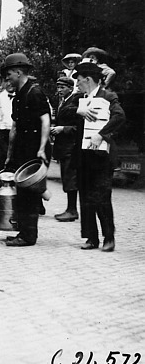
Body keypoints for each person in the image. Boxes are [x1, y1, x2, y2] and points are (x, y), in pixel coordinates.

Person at [73, 60, 126, 251]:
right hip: (84, 157)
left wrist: (100, 134)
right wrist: (78, 110)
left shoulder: (108, 96)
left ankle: (109, 237)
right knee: (85, 197)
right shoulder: (79, 99)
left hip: (102, 158)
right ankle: (91, 238)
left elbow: (120, 117)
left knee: (102, 196)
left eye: (78, 80)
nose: (77, 84)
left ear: (88, 79)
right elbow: (63, 112)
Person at [2, 53, 52, 247]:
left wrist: (41, 149)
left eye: (8, 73)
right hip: (21, 148)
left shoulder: (35, 92)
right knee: (20, 192)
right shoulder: (17, 97)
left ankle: (28, 236)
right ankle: (22, 231)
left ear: (18, 72)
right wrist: (9, 155)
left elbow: (46, 121)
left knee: (30, 193)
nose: (7, 78)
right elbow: (14, 127)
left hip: (34, 148)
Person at [50, 76, 84, 222]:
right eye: (58, 87)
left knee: (70, 178)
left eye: (62, 87)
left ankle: (72, 210)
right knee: (66, 177)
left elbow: (79, 127)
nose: (59, 90)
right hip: (64, 146)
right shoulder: (61, 102)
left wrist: (63, 129)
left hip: (72, 147)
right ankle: (70, 209)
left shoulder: (76, 101)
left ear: (71, 88)